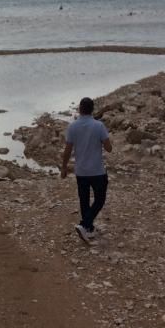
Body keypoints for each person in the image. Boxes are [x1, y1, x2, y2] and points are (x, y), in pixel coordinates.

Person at [60, 97, 112, 244]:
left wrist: (64, 167)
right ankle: (84, 225)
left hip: (81, 171)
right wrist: (104, 141)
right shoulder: (99, 126)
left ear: (80, 109)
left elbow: (68, 150)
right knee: (100, 199)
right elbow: (109, 148)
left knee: (84, 200)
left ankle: (87, 228)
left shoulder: (73, 127)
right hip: (97, 170)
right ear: (92, 110)